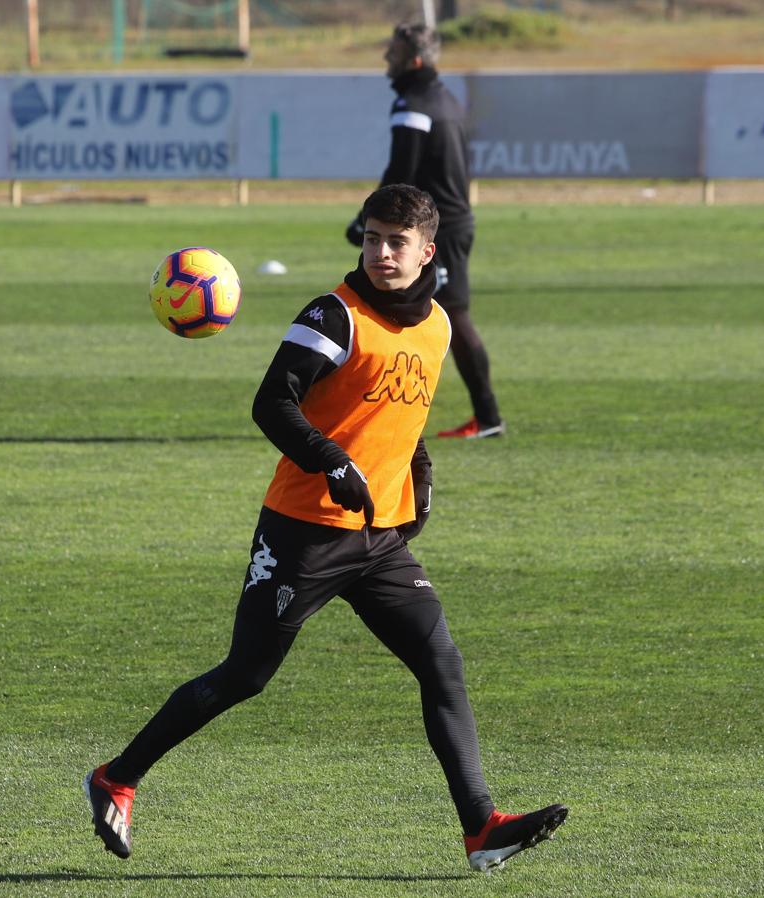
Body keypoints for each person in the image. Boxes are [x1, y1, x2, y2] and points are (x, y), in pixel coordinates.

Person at [85, 185, 566, 873]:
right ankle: (117, 777)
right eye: (370, 238)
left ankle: (481, 827)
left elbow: (402, 414)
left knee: (441, 665)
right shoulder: (332, 315)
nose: (379, 252)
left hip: (380, 539)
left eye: (395, 242)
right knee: (246, 676)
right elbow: (271, 404)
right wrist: (330, 460)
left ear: (427, 251)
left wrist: (418, 473)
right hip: (302, 533)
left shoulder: (435, 325)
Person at [347, 23, 502, 439]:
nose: (386, 59)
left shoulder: (413, 104)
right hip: (452, 222)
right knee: (411, 308)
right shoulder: (445, 99)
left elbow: (402, 173)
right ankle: (483, 417)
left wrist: (368, 223)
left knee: (451, 316)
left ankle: (486, 417)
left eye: (393, 53)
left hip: (436, 230)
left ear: (413, 59)